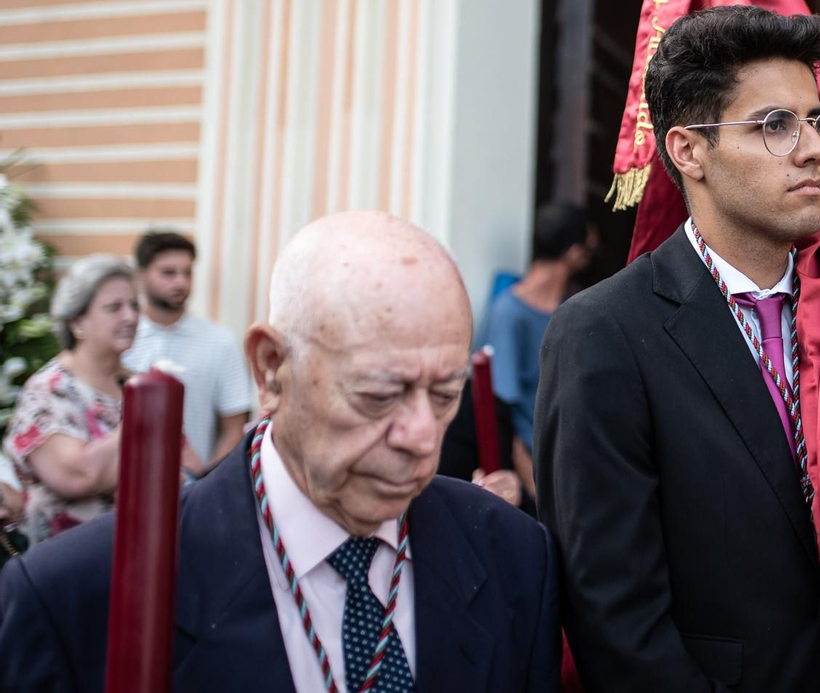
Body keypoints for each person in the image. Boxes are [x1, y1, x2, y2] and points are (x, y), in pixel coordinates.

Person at [0, 212, 560, 691]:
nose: (420, 435)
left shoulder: (512, 556)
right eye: (379, 395)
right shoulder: (70, 597)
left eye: (445, 394)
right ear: (271, 369)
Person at [535, 6, 820, 691]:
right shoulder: (605, 334)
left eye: (818, 120)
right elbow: (612, 614)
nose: (815, 149)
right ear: (688, 151)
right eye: (774, 125)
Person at [1, 256, 201, 545]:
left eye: (134, 305)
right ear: (76, 321)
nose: (131, 317)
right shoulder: (48, 391)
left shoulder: (141, 384)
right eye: (114, 308)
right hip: (65, 565)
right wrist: (147, 419)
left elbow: (188, 463)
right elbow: (78, 476)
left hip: (145, 553)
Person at [474, 200, 595, 500]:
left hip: (573, 469)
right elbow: (505, 417)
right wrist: (542, 497)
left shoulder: (575, 309)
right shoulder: (509, 313)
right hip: (533, 482)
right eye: (590, 251)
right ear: (574, 253)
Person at [124, 231, 253, 468]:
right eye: (168, 273)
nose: (181, 282)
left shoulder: (220, 342)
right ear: (140, 276)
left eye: (187, 272)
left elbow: (235, 428)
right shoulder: (121, 339)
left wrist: (204, 486)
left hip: (192, 488)